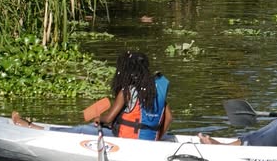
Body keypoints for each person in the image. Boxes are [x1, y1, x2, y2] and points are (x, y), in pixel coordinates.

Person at [11, 51, 172, 140]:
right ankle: (34, 126)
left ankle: (31, 127)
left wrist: (98, 119)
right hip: (148, 140)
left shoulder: (127, 91)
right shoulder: (156, 91)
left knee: (82, 129)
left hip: (128, 140)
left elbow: (108, 119)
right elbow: (169, 118)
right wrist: (157, 138)